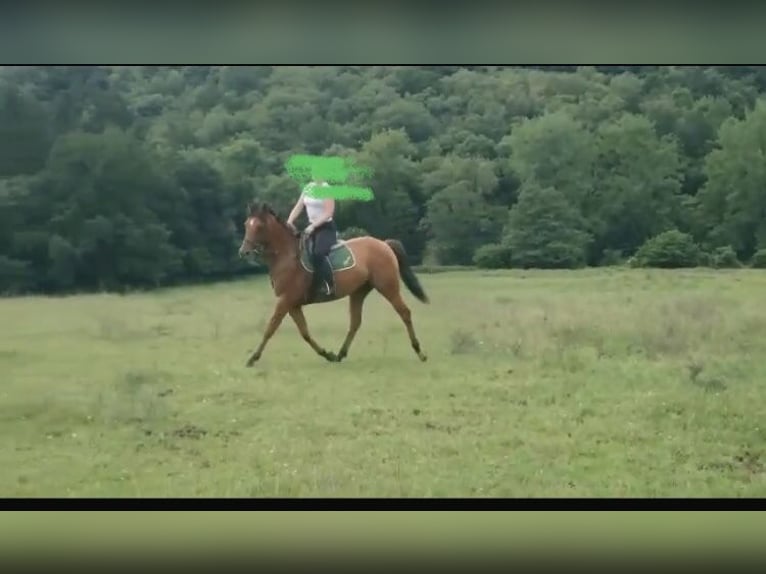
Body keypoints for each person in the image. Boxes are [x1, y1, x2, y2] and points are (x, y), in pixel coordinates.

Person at [286, 178, 337, 299]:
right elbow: (299, 206)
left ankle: (330, 284)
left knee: (317, 253)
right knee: (299, 252)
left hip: (325, 228)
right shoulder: (308, 188)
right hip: (312, 228)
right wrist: (290, 221)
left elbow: (329, 213)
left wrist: (314, 225)